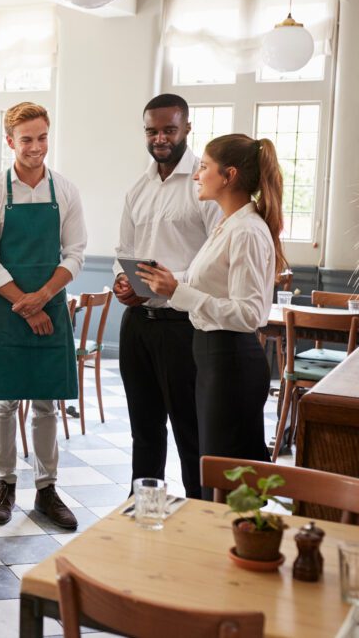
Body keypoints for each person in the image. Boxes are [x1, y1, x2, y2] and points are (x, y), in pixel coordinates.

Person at [138, 134, 285, 473]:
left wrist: (178, 292)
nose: (195, 175)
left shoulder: (246, 231)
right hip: (213, 357)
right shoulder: (227, 225)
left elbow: (248, 314)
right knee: (216, 470)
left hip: (231, 361)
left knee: (227, 478)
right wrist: (160, 279)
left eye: (203, 167)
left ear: (229, 175)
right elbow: (197, 278)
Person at [0, 102, 85, 529]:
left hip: (50, 305)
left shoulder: (66, 191)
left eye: (42, 137)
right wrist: (24, 304)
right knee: (2, 404)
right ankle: (4, 485)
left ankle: (46, 489)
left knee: (45, 405)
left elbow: (75, 255)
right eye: (26, 139)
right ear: (10, 142)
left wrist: (42, 297)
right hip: (6, 312)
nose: (36, 147)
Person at [113, 94, 222, 499]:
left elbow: (214, 260)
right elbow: (123, 250)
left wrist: (161, 284)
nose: (160, 138)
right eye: (152, 130)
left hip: (183, 325)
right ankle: (142, 507)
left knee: (190, 431)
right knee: (144, 429)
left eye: (169, 129)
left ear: (187, 129)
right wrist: (123, 285)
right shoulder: (137, 188)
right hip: (137, 324)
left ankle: (200, 512)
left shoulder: (204, 184)